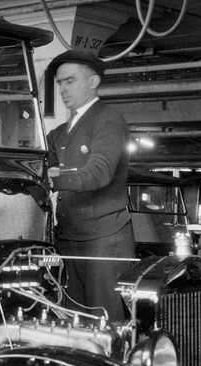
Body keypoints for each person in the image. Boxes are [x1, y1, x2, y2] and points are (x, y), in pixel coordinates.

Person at [43, 49, 134, 317]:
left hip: (103, 239)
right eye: (59, 83)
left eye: (70, 81)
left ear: (93, 82)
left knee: (104, 320)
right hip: (69, 237)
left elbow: (99, 173)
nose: (62, 89)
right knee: (74, 318)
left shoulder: (108, 120)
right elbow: (42, 171)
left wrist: (52, 179)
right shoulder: (57, 134)